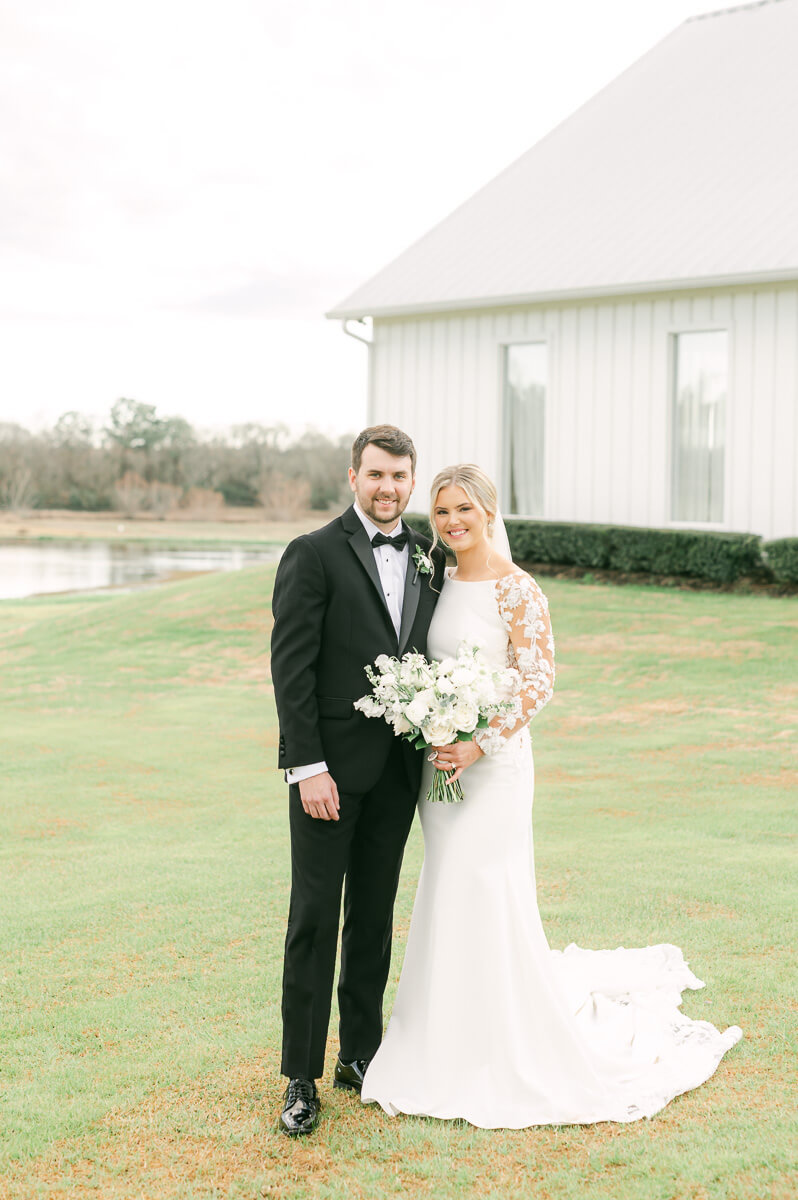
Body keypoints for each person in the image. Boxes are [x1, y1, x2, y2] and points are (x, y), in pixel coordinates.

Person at [361, 463, 742, 1127]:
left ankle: (505, 1042)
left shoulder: (518, 589)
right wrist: (434, 723)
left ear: (488, 511)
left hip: (494, 766)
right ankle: (442, 1037)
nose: (452, 523)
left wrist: (479, 741)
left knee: (488, 886)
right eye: (442, 512)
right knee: (447, 885)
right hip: (438, 767)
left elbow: (537, 680)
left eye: (464, 511)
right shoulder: (436, 577)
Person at [270, 425, 446, 1135]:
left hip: (399, 773)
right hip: (328, 776)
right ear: (353, 476)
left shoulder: (433, 560)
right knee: (314, 921)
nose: (388, 488)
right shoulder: (311, 554)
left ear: (412, 480)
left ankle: (361, 1056)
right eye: (376, 475)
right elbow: (292, 669)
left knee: (372, 920)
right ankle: (300, 1078)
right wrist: (306, 766)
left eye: (400, 476)